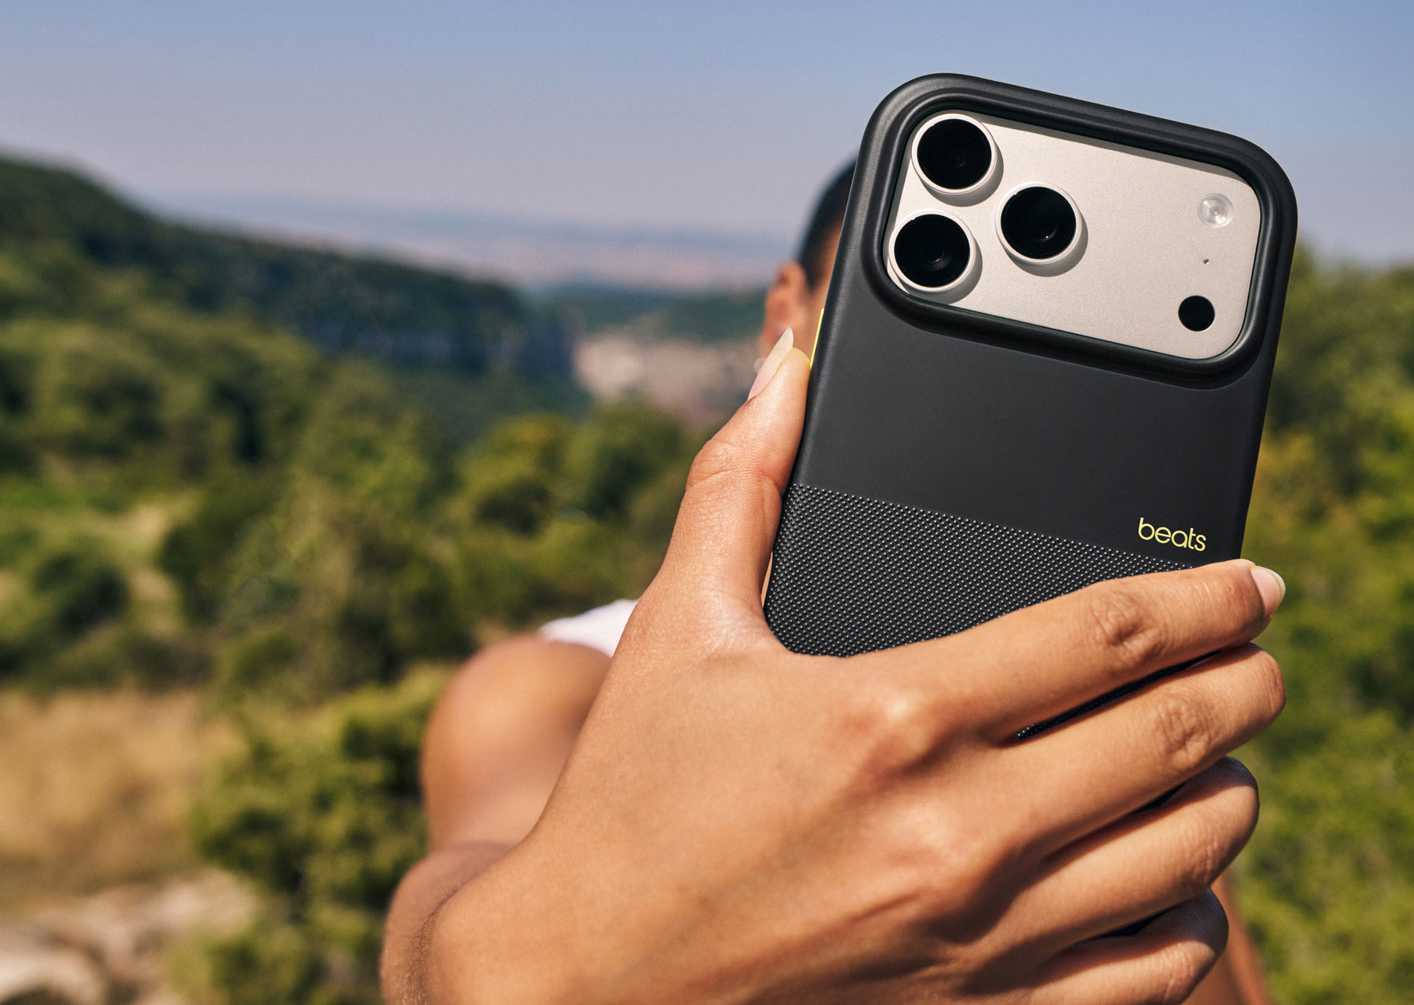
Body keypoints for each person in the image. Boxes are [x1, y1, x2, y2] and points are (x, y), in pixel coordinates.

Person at [381, 165, 1285, 1005]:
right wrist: (520, 967)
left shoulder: (1107, 747)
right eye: (923, 321)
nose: (973, 394)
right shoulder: (556, 688)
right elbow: (457, 894)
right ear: (786, 311)